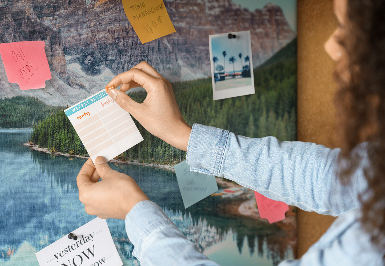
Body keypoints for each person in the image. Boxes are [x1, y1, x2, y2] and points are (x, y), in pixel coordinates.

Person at [76, 0, 385, 264]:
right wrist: (181, 134)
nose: (331, 46)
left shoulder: (370, 247)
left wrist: (134, 211)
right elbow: (327, 177)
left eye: (351, 29)